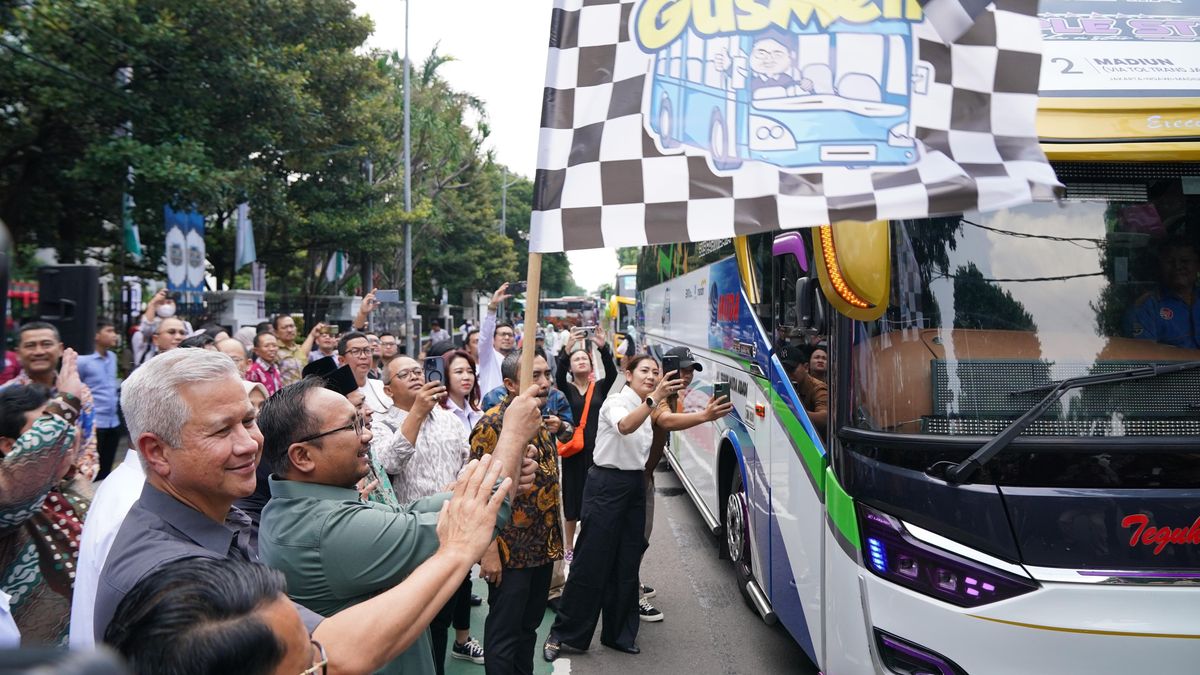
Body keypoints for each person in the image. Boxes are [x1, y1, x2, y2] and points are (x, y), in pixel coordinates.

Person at [88, 348, 488, 674]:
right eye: (221, 430)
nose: (248, 444)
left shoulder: (220, 521)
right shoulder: (168, 574)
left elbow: (312, 632)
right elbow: (333, 654)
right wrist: (456, 550)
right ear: (156, 452)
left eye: (248, 421)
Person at [106, 448, 516, 675]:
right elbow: (349, 654)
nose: (250, 442)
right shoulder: (324, 531)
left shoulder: (238, 530)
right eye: (307, 671)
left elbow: (410, 514)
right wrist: (458, 550)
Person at [257, 377, 543, 675]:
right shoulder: (326, 529)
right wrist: (512, 436)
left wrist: (482, 483)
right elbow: (475, 519)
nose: (366, 435)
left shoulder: (295, 508)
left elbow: (408, 514)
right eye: (351, 426)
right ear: (302, 456)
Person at [543, 355, 682, 661]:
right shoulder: (616, 402)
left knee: (627, 562)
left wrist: (708, 414)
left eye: (655, 372)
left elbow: (664, 425)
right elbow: (624, 426)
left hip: (634, 485)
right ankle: (563, 633)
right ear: (627, 374)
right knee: (590, 561)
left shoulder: (652, 406)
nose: (650, 375)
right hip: (606, 484)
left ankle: (618, 634)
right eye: (644, 370)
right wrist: (654, 397)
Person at [370, 356, 485, 669]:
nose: (415, 377)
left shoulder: (448, 419)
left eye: (419, 371)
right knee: (416, 620)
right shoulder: (380, 423)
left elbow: (468, 458)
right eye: (404, 374)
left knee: (443, 617)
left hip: (452, 529)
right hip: (412, 536)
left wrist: (458, 482)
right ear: (388, 389)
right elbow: (387, 465)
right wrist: (417, 413)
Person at [471, 352, 572, 675]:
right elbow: (480, 491)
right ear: (510, 385)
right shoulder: (491, 424)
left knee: (528, 629)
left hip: (541, 548)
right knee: (504, 635)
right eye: (535, 377)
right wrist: (487, 551)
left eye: (546, 375)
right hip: (508, 552)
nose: (544, 383)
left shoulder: (539, 419)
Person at [640, 347, 733, 621]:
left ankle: (629, 582)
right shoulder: (658, 393)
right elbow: (665, 420)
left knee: (638, 537)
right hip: (632, 478)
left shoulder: (670, 392)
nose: (689, 375)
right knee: (636, 538)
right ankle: (631, 595)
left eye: (692, 370)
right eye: (683, 369)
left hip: (643, 476)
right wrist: (705, 416)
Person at [0, 351, 87, 645]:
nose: (67, 433)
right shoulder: (10, 498)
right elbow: (15, 488)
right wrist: (65, 404)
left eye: (69, 424)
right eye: (48, 427)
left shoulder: (82, 485)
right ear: (8, 445)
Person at [4, 322, 97, 480]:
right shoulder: (5, 395)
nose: (39, 351)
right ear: (18, 354)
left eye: (46, 344)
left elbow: (88, 447)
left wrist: (75, 484)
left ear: (60, 349)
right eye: (30, 345)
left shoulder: (81, 392)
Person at [555, 326, 617, 563]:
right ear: (571, 368)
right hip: (572, 453)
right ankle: (569, 547)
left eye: (584, 358)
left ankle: (592, 543)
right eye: (576, 359)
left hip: (598, 452)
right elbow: (558, 375)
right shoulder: (566, 390)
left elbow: (613, 374)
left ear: (591, 366)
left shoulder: (600, 387)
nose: (580, 361)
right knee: (571, 500)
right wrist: (567, 349)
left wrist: (602, 348)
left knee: (596, 500)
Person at [1125, 237, 1200, 349]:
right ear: (1160, 267)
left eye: (1185, 261)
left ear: (1198, 265)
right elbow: (1145, 358)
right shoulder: (1146, 308)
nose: (1178, 267)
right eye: (1170, 262)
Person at [78, 317, 121, 479]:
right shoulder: (83, 361)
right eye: (109, 331)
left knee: (106, 470)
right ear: (96, 335)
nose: (114, 335)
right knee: (90, 469)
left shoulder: (113, 357)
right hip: (95, 423)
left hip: (113, 421)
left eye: (114, 331)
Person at [478, 284, 517, 394]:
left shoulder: (518, 360)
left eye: (510, 335)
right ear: (493, 339)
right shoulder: (488, 357)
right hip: (489, 409)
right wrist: (492, 307)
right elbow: (485, 336)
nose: (506, 338)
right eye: (503, 334)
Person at [782, 345, 828, 435]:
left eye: (791, 369)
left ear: (806, 367)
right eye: (784, 370)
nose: (788, 374)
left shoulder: (818, 388)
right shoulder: (780, 382)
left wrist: (798, 413)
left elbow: (824, 418)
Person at [340, 331, 390, 413]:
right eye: (355, 351)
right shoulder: (336, 394)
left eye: (367, 351)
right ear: (342, 360)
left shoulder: (381, 386)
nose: (363, 356)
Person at [273, 314, 323, 386]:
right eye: (284, 327)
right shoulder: (274, 351)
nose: (289, 330)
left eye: (292, 326)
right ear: (276, 332)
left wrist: (313, 334)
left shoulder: (298, 349)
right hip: (285, 395)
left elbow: (304, 353)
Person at [442, 349, 483, 433]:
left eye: (470, 372)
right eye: (459, 372)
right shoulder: (437, 414)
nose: (466, 377)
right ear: (445, 376)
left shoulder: (479, 414)